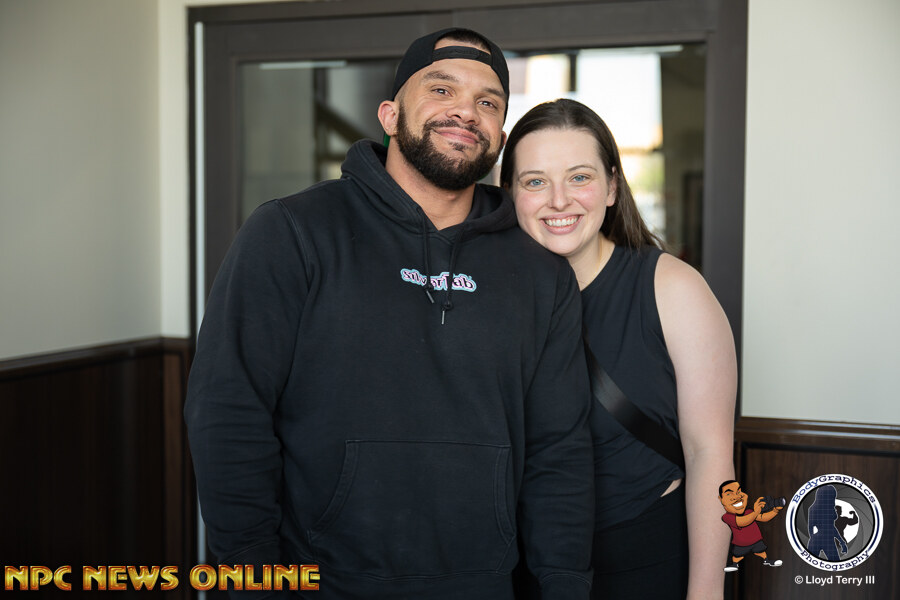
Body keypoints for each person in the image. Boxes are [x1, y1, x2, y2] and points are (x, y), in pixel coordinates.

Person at [184, 30, 594, 600]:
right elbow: (229, 413)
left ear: (500, 136)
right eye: (442, 89)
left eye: (487, 102)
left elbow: (560, 452)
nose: (465, 112)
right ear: (390, 115)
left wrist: (564, 586)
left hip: (481, 585)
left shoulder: (540, 273)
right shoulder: (292, 232)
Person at [500, 98, 737, 599]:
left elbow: (709, 452)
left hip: (645, 559)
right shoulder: (491, 301)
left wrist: (707, 592)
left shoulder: (671, 288)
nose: (559, 200)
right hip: (527, 565)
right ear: (511, 194)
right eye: (535, 181)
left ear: (611, 186)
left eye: (579, 177)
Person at [718, 480, 783, 570]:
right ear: (721, 499)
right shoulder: (727, 517)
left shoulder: (749, 512)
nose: (737, 497)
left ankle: (767, 560)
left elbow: (763, 518)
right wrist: (756, 512)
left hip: (756, 541)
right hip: (741, 544)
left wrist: (775, 510)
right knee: (737, 555)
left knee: (761, 551)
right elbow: (742, 522)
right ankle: (734, 564)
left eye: (739, 492)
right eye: (729, 494)